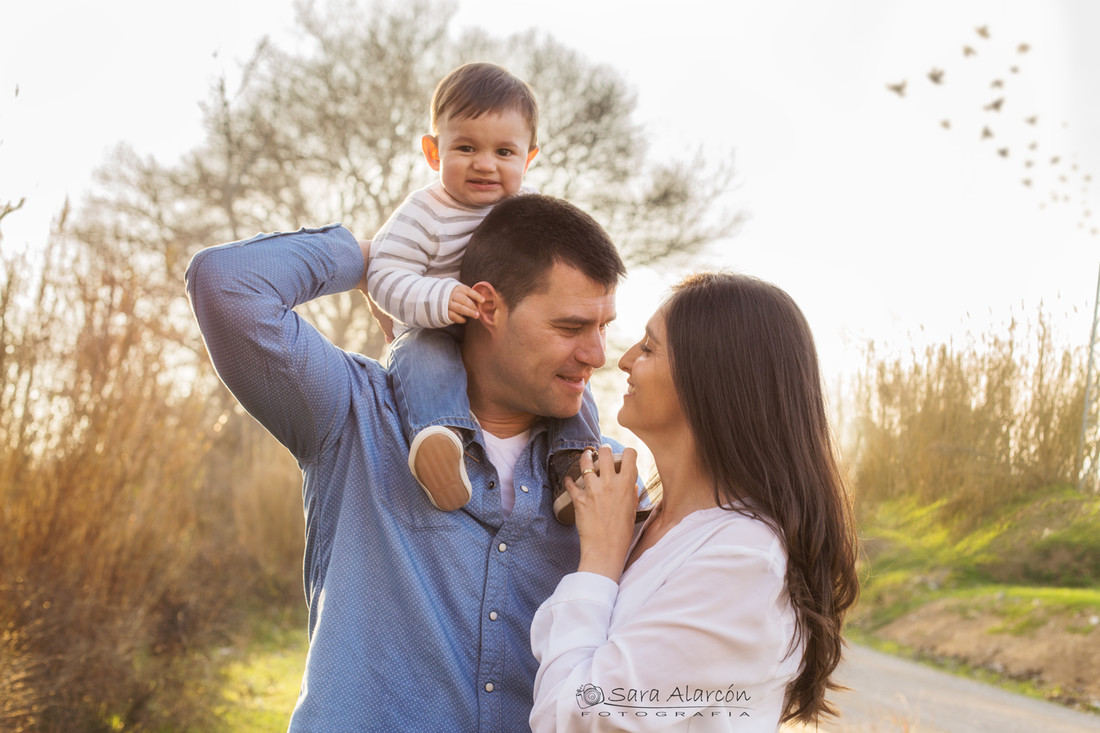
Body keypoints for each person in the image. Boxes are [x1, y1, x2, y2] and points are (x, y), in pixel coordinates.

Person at [185, 194, 627, 731]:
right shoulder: (353, 415)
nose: (597, 354)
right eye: (570, 327)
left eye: (603, 327)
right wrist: (383, 261)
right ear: (486, 306)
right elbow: (225, 283)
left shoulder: (605, 480)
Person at [529, 272, 861, 732]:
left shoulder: (743, 561)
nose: (622, 360)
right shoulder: (649, 521)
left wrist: (600, 560)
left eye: (647, 348)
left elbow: (573, 720)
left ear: (709, 378)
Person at [366, 61, 600, 516]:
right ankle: (441, 444)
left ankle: (575, 465)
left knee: (571, 370)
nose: (485, 164)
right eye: (466, 147)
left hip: (504, 337)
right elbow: (383, 273)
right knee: (421, 358)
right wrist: (438, 299)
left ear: (529, 157)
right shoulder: (425, 212)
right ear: (434, 153)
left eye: (505, 153)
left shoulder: (530, 211)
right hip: (435, 325)